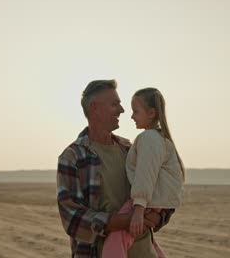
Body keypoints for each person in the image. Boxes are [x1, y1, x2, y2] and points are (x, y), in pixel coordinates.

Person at [57, 80, 174, 258]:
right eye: (115, 104)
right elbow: (72, 218)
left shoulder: (131, 150)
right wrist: (122, 221)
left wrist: (158, 217)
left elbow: (162, 187)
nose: (122, 110)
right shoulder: (72, 157)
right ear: (94, 108)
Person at [101, 88, 185, 258]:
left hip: (144, 204)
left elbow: (145, 176)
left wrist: (138, 211)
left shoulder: (149, 139)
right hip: (151, 204)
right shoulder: (158, 138)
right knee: (140, 237)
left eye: (136, 111)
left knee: (114, 243)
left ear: (151, 113)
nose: (131, 116)